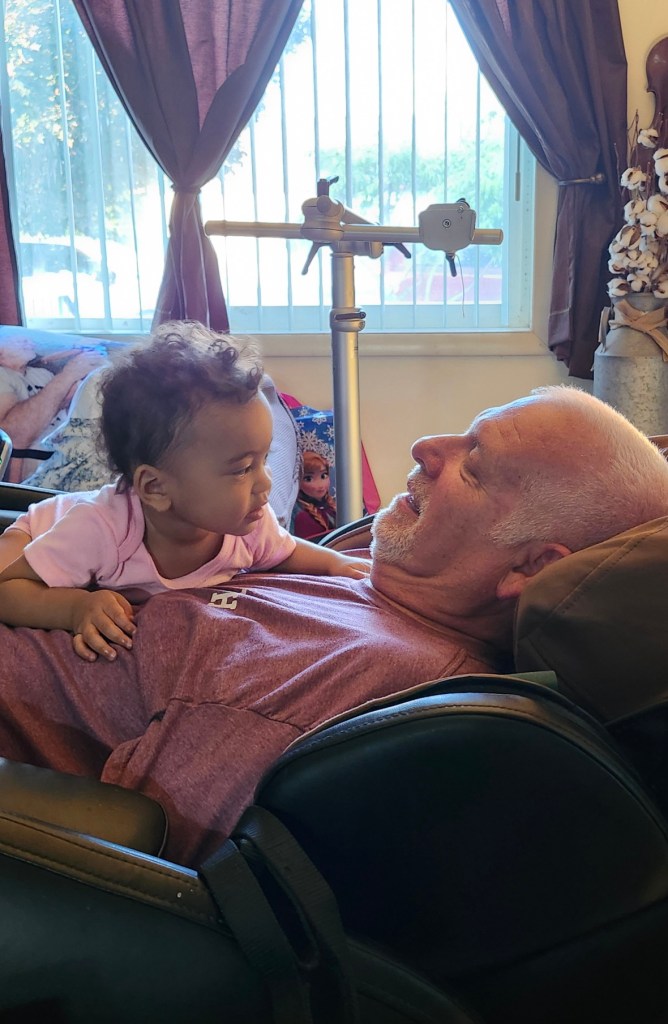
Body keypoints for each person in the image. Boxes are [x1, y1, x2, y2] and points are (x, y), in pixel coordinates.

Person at [0, 384, 667, 868]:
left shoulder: (359, 671)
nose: (425, 447)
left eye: (472, 465)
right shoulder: (369, 578)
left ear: (529, 566)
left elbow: (154, 875)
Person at [0, 323, 369, 663]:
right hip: (39, 529)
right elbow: (9, 591)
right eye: (243, 468)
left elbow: (287, 552)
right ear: (156, 487)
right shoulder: (97, 531)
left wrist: (334, 564)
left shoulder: (249, 523)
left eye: (264, 460)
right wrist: (75, 608)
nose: (265, 483)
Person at [0, 333, 106, 482]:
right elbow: (14, 435)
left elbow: (63, 404)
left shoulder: (42, 373)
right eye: (16, 339)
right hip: (44, 466)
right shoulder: (3, 376)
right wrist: (69, 374)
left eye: (26, 338)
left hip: (72, 447)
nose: (27, 341)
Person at [292, 449, 338, 538]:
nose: (320, 485)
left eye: (323, 476)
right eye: (309, 479)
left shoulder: (332, 506)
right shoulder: (302, 516)